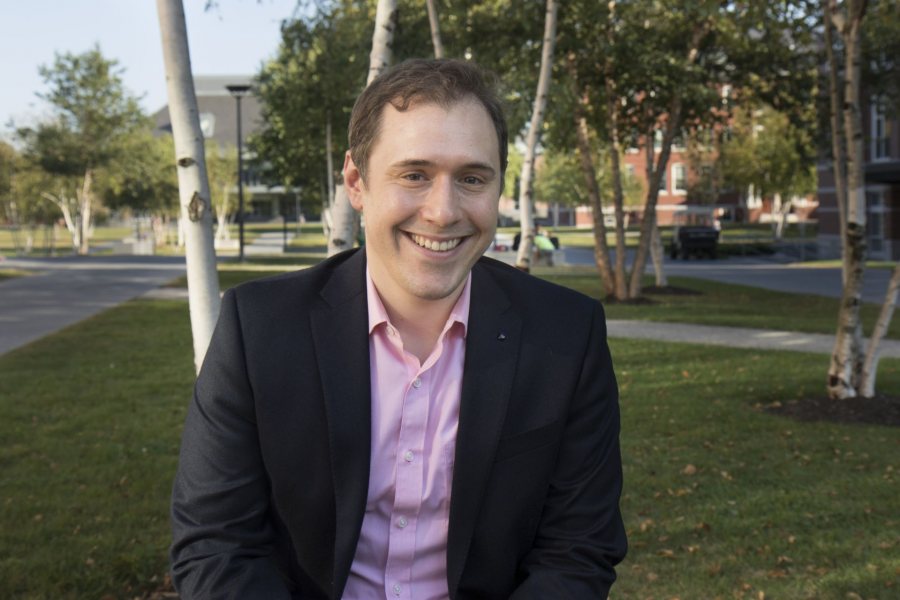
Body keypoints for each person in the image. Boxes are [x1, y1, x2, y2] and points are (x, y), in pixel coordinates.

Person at [171, 58, 626, 599]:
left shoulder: (566, 336)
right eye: (414, 175)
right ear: (356, 183)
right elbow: (216, 544)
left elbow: (578, 550)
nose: (442, 211)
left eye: (472, 179)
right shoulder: (259, 329)